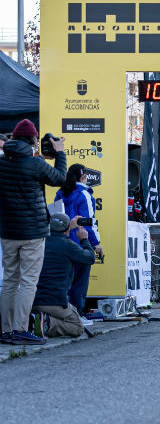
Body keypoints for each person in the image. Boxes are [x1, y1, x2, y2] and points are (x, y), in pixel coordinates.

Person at [0, 119, 67, 346]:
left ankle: (6, 330)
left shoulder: (2, 162)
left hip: (8, 230)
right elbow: (60, 178)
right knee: (28, 281)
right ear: (33, 140)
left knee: (10, 280)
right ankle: (20, 329)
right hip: (33, 232)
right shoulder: (35, 163)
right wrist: (60, 153)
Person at [31, 214, 95, 339]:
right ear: (67, 230)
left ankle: (33, 319)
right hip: (55, 301)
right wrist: (84, 240)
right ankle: (46, 323)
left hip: (31, 299)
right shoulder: (68, 245)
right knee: (77, 327)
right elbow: (90, 258)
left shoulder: (37, 242)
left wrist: (68, 227)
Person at [54, 164, 103, 321]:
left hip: (60, 243)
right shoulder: (84, 194)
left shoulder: (60, 193)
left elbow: (55, 218)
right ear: (83, 177)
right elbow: (89, 222)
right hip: (79, 244)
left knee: (64, 282)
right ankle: (77, 316)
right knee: (79, 283)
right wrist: (96, 243)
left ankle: (62, 316)